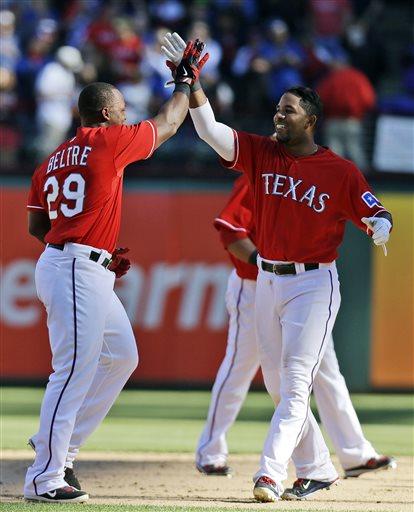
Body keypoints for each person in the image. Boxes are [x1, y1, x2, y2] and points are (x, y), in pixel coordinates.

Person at [161, 32, 393, 502]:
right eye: (278, 108)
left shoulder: (339, 171)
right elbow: (209, 131)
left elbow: (375, 211)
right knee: (274, 383)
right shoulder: (262, 152)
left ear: (311, 120)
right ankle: (319, 466)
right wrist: (192, 83)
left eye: (288, 110)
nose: (278, 115)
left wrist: (381, 225)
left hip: (313, 283)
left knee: (294, 382)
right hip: (266, 279)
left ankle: (269, 473)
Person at [24, 40, 209, 503]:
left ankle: (59, 448)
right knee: (71, 371)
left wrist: (92, 242)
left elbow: (37, 224)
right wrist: (185, 82)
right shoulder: (109, 141)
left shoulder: (51, 158)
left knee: (122, 356)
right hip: (74, 267)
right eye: (122, 109)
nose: (126, 116)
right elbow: (168, 121)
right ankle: (44, 476)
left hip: (72, 260)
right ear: (106, 115)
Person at [196, 173, 395, 483]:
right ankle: (210, 451)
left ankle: (355, 453)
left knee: (327, 371)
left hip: (303, 290)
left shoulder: (314, 175)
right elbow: (231, 233)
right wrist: (263, 262)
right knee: (240, 366)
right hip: (254, 286)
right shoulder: (258, 176)